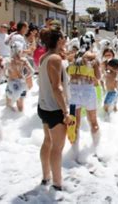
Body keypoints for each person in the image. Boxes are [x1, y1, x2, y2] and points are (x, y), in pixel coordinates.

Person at [37, 26, 73, 191]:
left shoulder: (45, 56)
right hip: (54, 108)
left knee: (48, 142)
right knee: (57, 148)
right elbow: (57, 88)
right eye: (64, 37)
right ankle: (57, 183)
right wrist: (65, 111)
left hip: (44, 106)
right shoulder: (54, 59)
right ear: (58, 40)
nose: (65, 40)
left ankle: (46, 177)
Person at [66, 33, 101, 157]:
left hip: (73, 92)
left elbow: (66, 73)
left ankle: (74, 153)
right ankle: (96, 150)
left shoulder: (71, 57)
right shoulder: (92, 57)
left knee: (74, 123)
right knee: (93, 121)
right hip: (88, 91)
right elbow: (98, 77)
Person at [5, 42, 34, 112]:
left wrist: (7, 77)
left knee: (8, 104)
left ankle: (11, 120)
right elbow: (32, 71)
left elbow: (3, 74)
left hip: (11, 83)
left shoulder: (8, 61)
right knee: (20, 105)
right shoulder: (23, 60)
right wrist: (25, 77)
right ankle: (20, 118)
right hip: (21, 83)